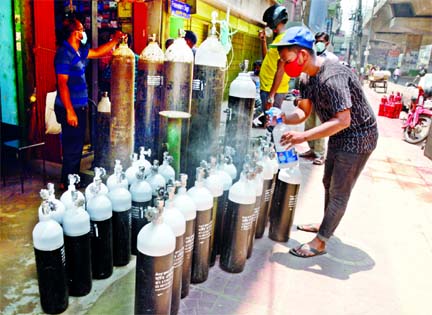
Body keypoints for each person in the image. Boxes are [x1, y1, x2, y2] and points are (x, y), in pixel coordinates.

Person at [271, 26, 378, 258]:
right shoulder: (305, 78)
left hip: (360, 135)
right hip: (340, 133)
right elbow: (303, 113)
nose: (283, 65)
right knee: (328, 181)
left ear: (302, 55)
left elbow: (343, 119)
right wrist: (283, 117)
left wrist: (303, 137)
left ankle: (320, 242)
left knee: (339, 190)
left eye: (285, 59)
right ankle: (325, 226)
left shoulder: (333, 77)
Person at [54, 17, 124, 189]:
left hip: (80, 106)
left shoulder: (78, 51)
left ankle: (72, 179)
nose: (84, 31)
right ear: (75, 33)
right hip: (70, 107)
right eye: (81, 29)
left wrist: (114, 40)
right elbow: (62, 84)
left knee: (76, 146)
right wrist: (70, 111)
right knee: (72, 146)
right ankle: (66, 183)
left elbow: (99, 52)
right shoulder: (64, 53)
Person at [259, 4, 290, 113]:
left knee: (270, 120)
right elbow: (266, 58)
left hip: (273, 90)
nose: (267, 26)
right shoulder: (278, 39)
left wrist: (271, 95)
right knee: (267, 120)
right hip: (267, 87)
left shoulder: (284, 41)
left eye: (269, 24)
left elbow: (281, 69)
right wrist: (263, 41)